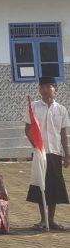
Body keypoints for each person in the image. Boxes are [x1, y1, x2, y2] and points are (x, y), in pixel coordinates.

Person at [24, 76, 70, 231]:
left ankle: (52, 220)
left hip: (55, 153)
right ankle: (43, 220)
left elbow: (63, 133)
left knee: (54, 186)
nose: (44, 90)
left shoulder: (61, 109)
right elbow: (28, 130)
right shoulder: (34, 107)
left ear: (55, 90)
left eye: (48, 87)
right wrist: (36, 147)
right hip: (40, 153)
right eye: (42, 87)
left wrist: (67, 154)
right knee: (40, 185)